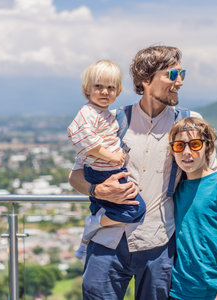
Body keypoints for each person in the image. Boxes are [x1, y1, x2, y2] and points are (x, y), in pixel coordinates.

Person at [68, 45, 217, 300]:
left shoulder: (186, 122)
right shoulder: (112, 120)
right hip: (108, 240)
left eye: (182, 74)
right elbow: (75, 175)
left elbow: (214, 176)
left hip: (157, 246)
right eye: (172, 74)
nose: (179, 82)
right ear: (145, 79)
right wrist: (97, 190)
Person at [67, 60, 146, 260]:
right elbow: (83, 140)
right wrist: (112, 155)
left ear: (118, 91)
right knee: (136, 209)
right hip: (102, 171)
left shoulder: (107, 114)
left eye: (110, 87)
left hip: (107, 170)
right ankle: (94, 224)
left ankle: (86, 240)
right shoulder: (87, 113)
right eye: (99, 86)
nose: (104, 92)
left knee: (115, 206)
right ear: (87, 89)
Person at [168, 117, 217, 300]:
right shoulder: (176, 189)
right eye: (179, 146)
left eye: (194, 144)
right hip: (180, 293)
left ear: (208, 147)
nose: (186, 152)